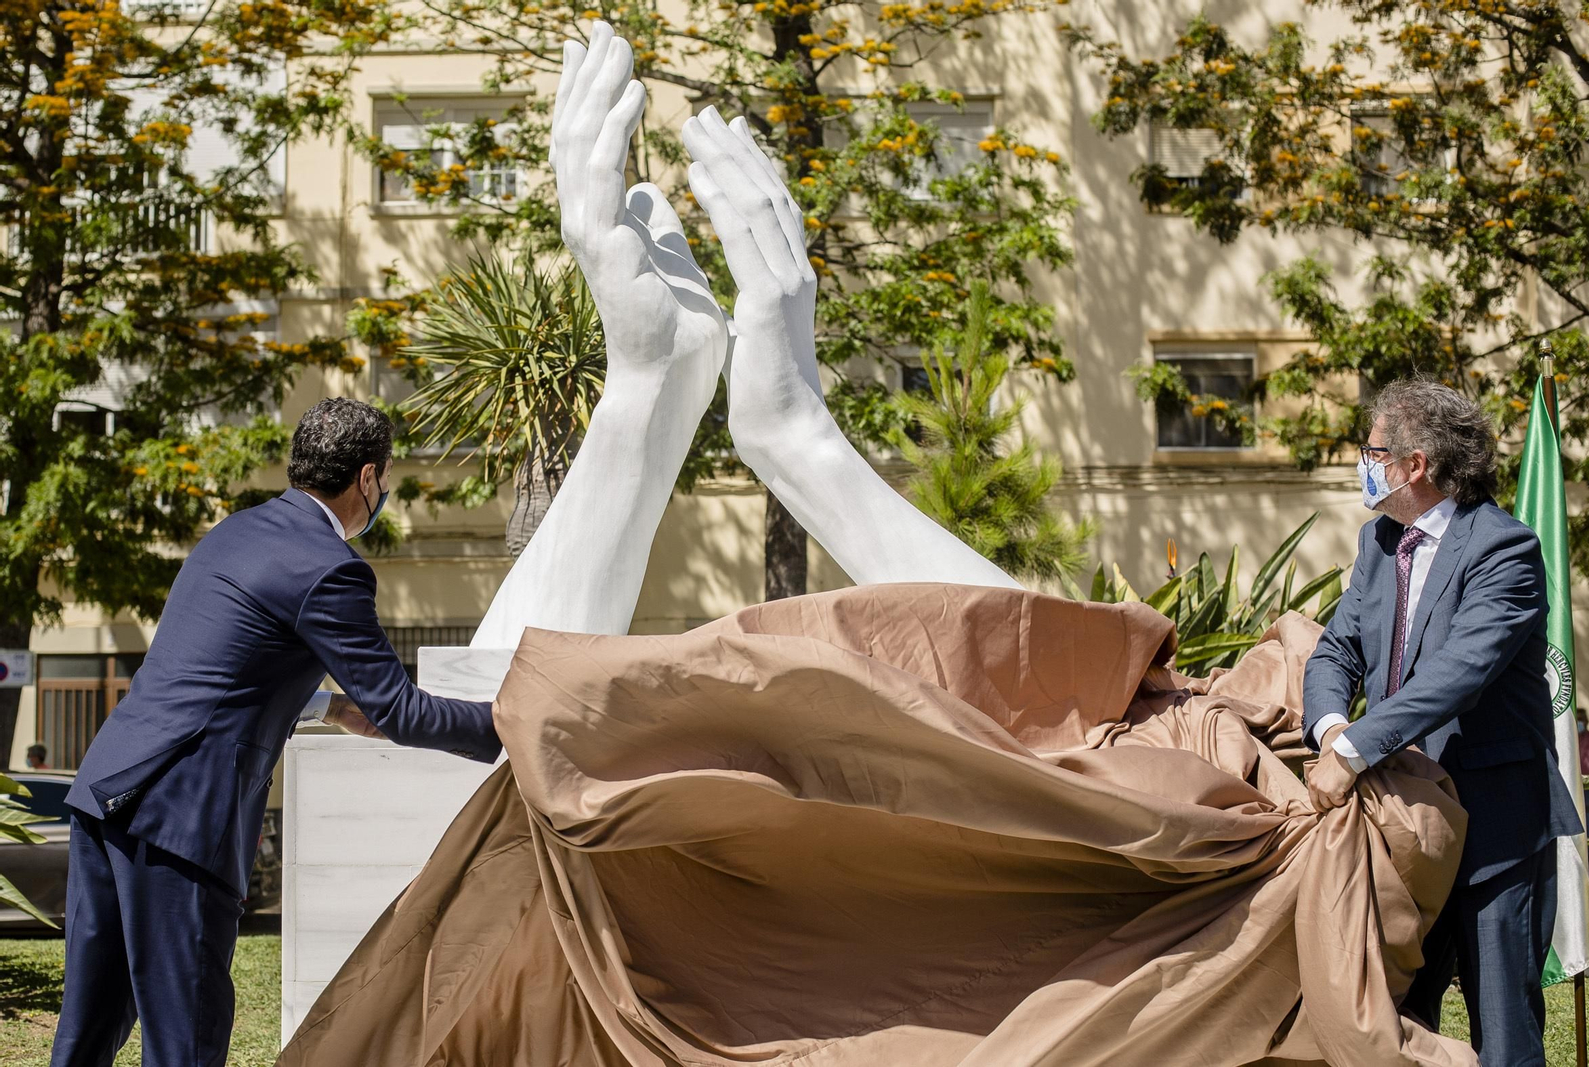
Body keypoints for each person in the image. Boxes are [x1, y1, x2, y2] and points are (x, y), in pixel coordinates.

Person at [278, 29, 1480, 1067]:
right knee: (1072, 728)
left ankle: (718, 408)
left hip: (1230, 797)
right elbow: (1044, 691)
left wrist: (742, 421)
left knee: (1070, 736)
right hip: (1230, 779)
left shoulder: (1239, 806)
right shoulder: (1227, 764)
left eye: (1381, 453)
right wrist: (739, 420)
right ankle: (714, 404)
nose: (1368, 464)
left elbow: (1043, 704)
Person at [50, 398, 501, 1067]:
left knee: (86, 1032)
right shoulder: (330, 567)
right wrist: (509, 722)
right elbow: (401, 710)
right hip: (179, 822)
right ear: (368, 479)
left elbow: (221, 668)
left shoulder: (236, 531)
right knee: (187, 1041)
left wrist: (327, 706)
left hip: (107, 790)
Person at [1302, 380, 1581, 1066]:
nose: (1361, 465)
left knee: (1504, 1037)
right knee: (1393, 1027)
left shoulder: (1505, 549)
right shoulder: (1380, 541)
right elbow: (1337, 649)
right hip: (1403, 836)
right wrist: (1333, 726)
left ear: (1415, 464)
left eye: (1371, 451)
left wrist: (1356, 750)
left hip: (1495, 838)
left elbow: (1457, 672)